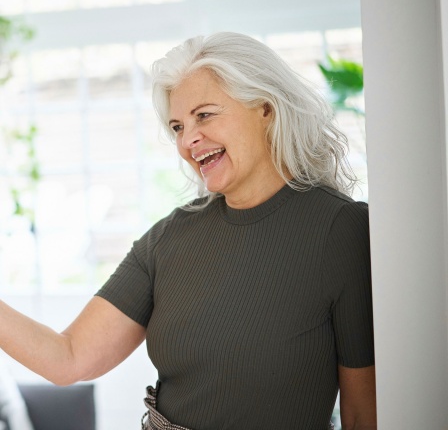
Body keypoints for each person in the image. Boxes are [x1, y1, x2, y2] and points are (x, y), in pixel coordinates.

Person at [0, 32, 376, 430]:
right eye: (178, 126)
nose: (188, 140)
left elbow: (362, 412)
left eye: (205, 115)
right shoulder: (168, 239)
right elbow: (69, 357)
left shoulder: (341, 230)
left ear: (266, 108)